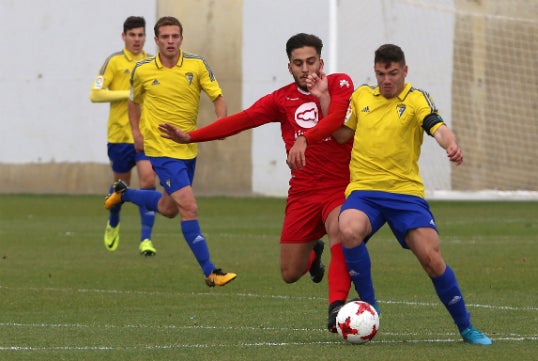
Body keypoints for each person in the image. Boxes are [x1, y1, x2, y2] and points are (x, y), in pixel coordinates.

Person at [159, 33, 353, 332]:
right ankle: (314, 251)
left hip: (338, 187)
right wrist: (191, 136)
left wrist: (304, 137)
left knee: (340, 229)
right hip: (303, 193)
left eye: (311, 62)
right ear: (289, 67)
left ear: (321, 62)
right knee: (289, 273)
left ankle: (337, 308)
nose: (306, 69)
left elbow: (337, 120)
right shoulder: (281, 99)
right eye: (298, 63)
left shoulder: (340, 83)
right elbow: (242, 120)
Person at [332, 44, 493, 345]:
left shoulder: (416, 98)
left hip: (405, 194)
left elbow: (437, 127)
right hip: (365, 191)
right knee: (348, 229)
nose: (387, 80)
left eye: (393, 73)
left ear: (405, 71)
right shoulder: (362, 97)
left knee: (431, 258)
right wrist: (322, 100)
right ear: (375, 72)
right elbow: (341, 134)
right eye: (381, 74)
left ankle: (466, 327)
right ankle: (370, 305)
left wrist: (451, 144)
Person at [103, 16, 236, 287]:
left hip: (187, 149)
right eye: (165, 37)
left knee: (168, 208)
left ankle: (123, 194)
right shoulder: (142, 70)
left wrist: (221, 125)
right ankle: (210, 271)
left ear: (181, 39)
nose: (170, 41)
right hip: (160, 150)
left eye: (175, 36)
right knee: (189, 207)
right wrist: (137, 134)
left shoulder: (197, 65)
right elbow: (133, 103)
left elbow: (217, 97)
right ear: (157, 40)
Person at [90, 16, 157, 256]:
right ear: (124, 36)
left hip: (145, 135)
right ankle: (114, 220)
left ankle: (146, 240)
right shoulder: (114, 62)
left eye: (141, 35)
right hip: (119, 135)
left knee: (148, 181)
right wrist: (126, 93)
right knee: (121, 185)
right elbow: (95, 94)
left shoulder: (152, 62)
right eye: (132, 35)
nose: (137, 39)